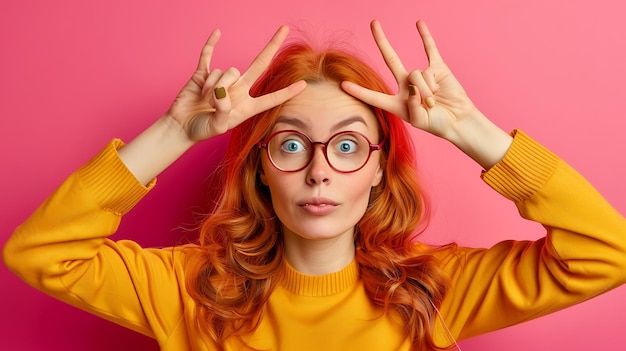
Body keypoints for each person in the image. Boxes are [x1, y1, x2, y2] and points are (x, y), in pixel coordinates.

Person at [3, 19, 626, 351]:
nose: (320, 169)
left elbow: (607, 254)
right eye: (292, 144)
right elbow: (39, 252)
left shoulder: (435, 293)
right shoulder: (188, 291)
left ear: (381, 169)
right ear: (259, 166)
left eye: (349, 145)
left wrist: (472, 132)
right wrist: (172, 133)